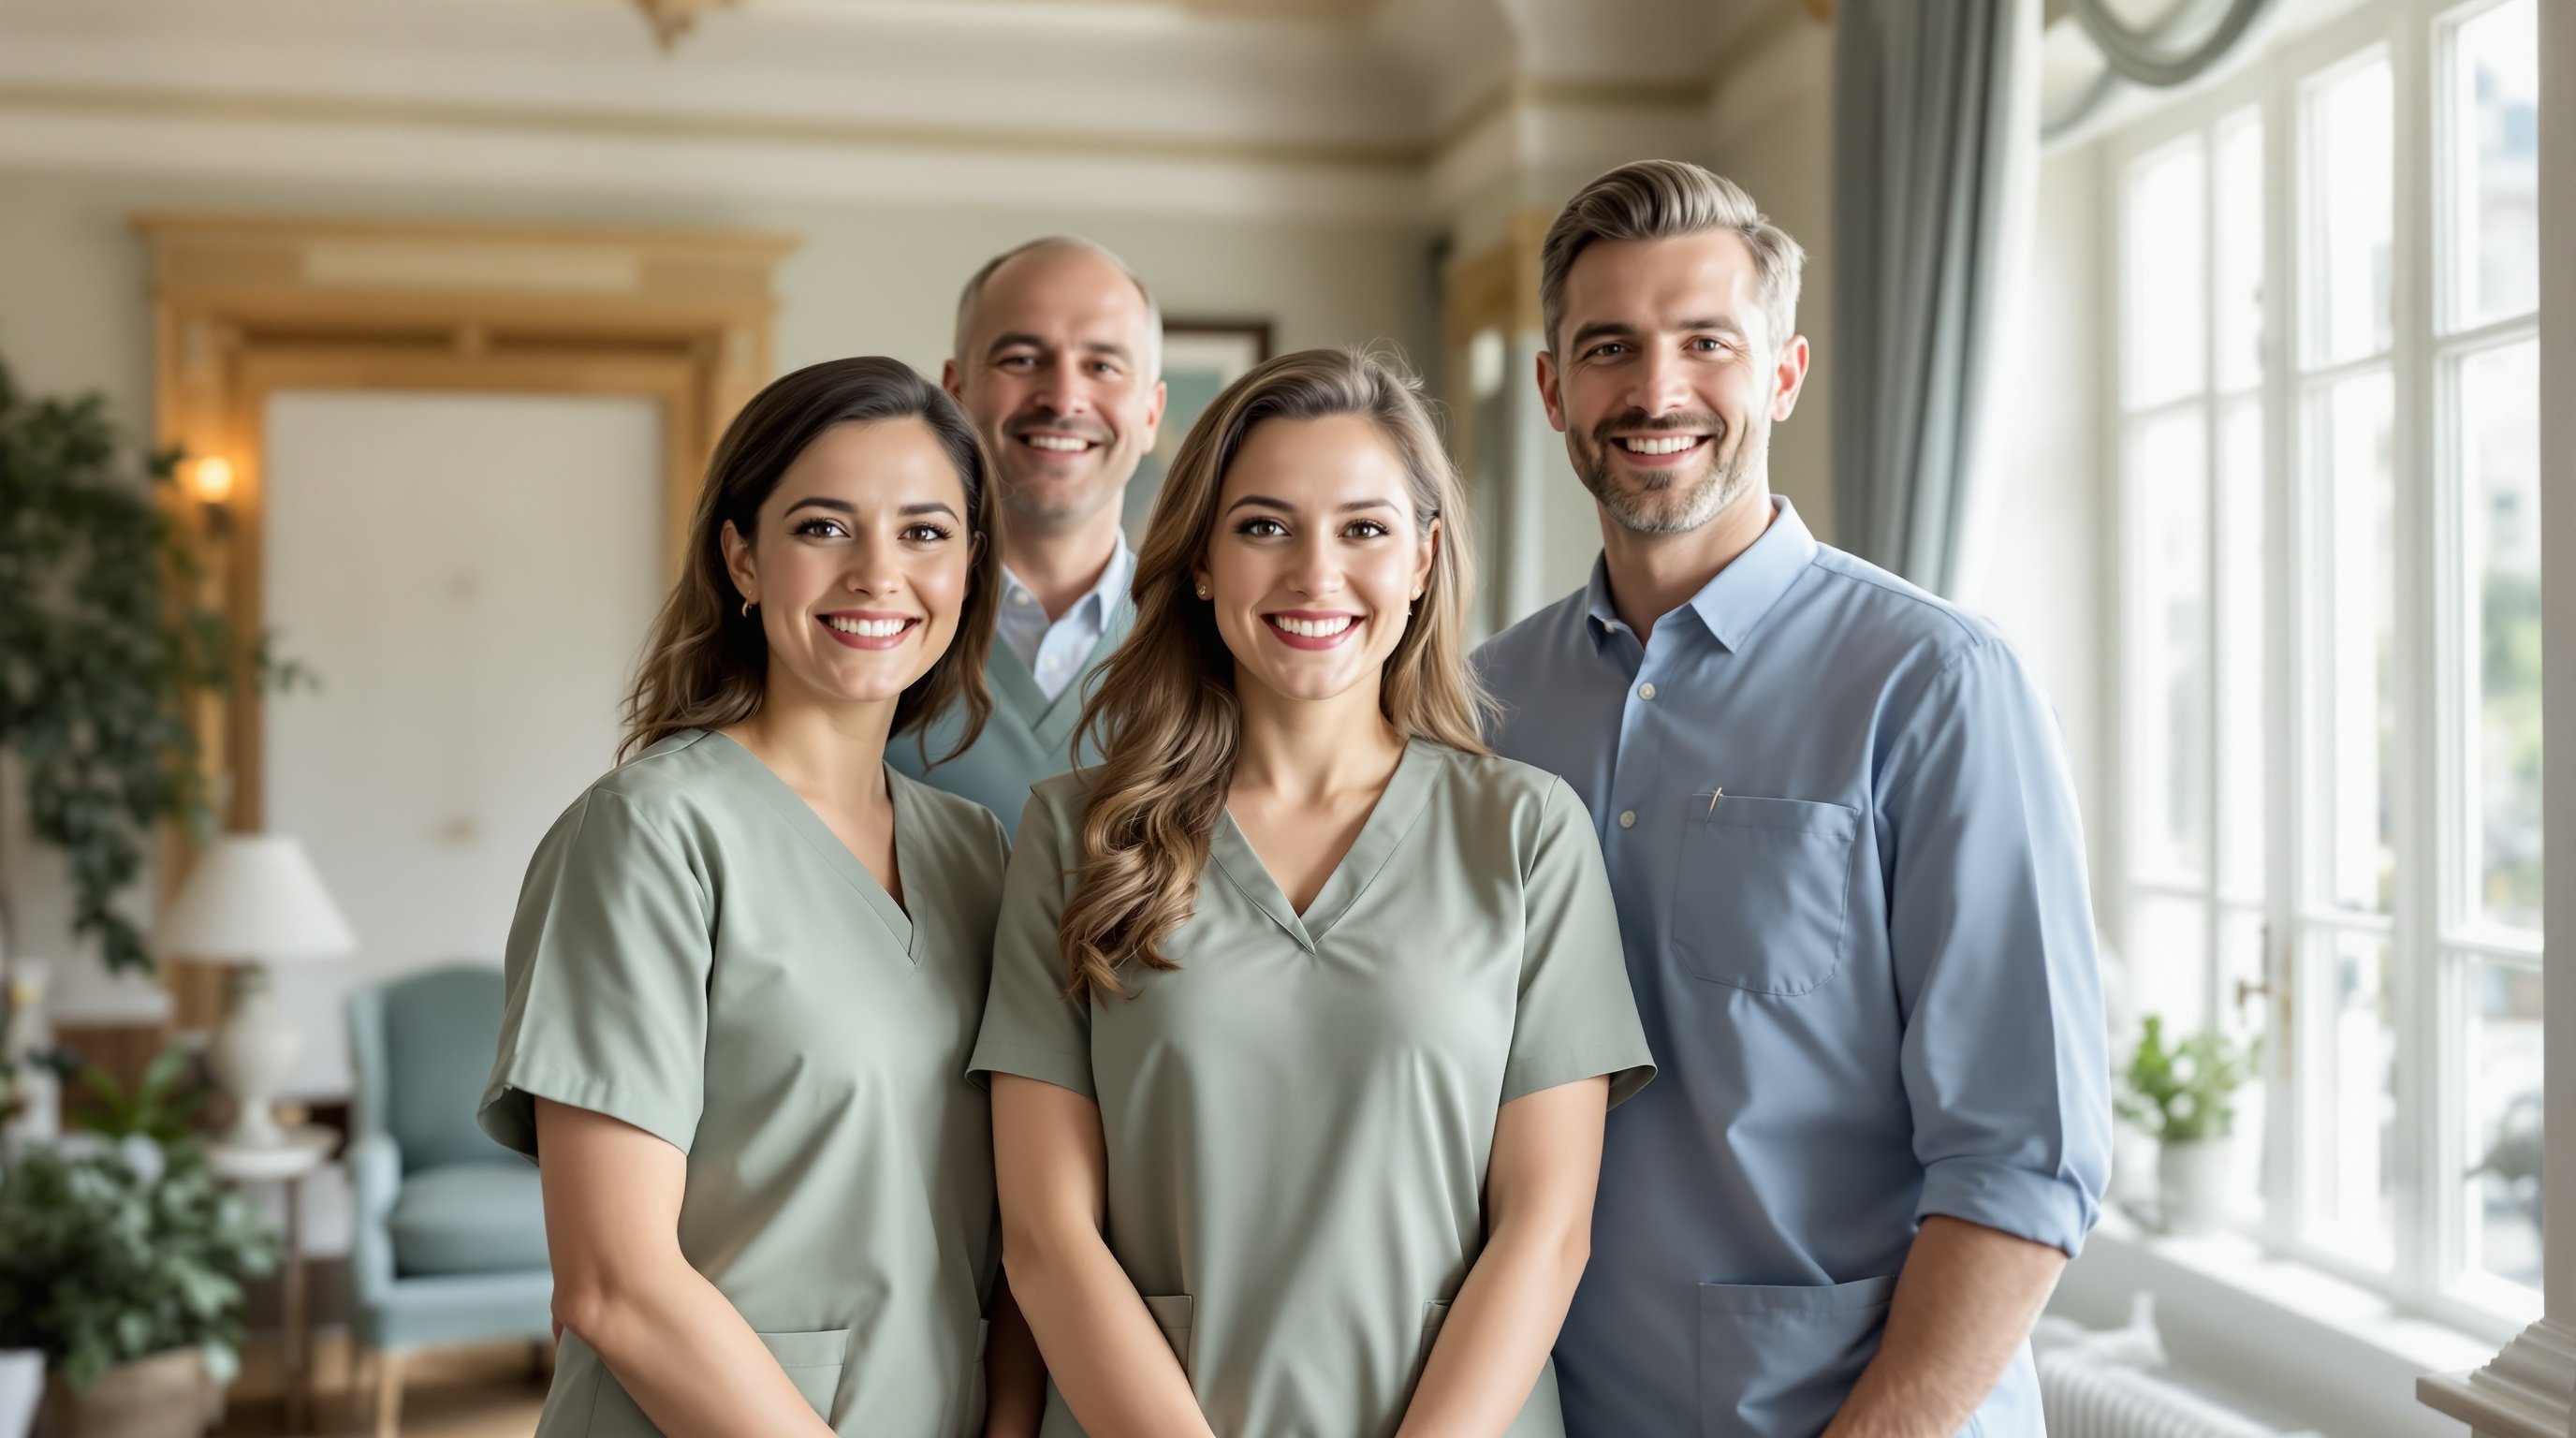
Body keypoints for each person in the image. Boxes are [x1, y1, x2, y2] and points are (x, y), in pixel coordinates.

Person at [1475, 159, 2111, 1437]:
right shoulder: (1484, 705)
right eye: (1609, 347)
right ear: (1553, 388)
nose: (1657, 391)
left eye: (1707, 342)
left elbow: (2022, 1164)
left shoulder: (1937, 685)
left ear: (1783, 372)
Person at [971, 348, 1654, 1438]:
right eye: (1262, 527)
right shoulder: (1079, 834)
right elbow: (1046, 1235)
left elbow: (1545, 1227)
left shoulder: (1526, 833)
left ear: (1425, 559)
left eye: (1364, 529)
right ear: (1199, 561)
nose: (1313, 574)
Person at [477, 358, 1044, 1438]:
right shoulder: (648, 835)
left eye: (925, 532)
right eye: (824, 527)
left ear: (971, 566)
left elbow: (1019, 1239)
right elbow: (613, 1283)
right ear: (742, 555)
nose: (878, 573)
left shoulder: (977, 854)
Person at [891, 237, 1167, 835]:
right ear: (956, 393)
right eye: (1021, 358)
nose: (1063, 398)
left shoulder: (1215, 643)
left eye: (1102, 366)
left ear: (1150, 413)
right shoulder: (876, 625)